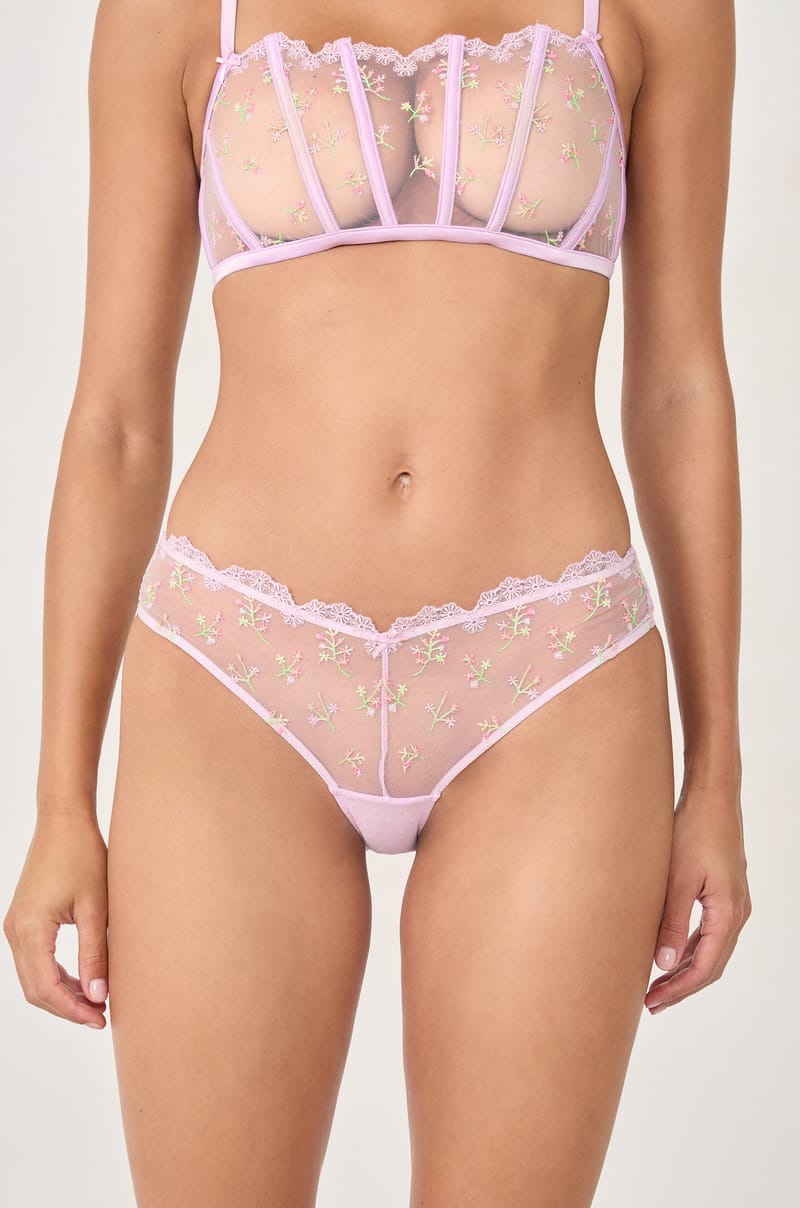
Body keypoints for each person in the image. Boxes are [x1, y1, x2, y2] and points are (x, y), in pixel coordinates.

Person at [4, 0, 751, 1204]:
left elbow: (677, 388)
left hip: (551, 676)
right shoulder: (166, 13)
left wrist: (715, 773)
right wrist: (58, 800)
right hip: (234, 675)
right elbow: (116, 422)